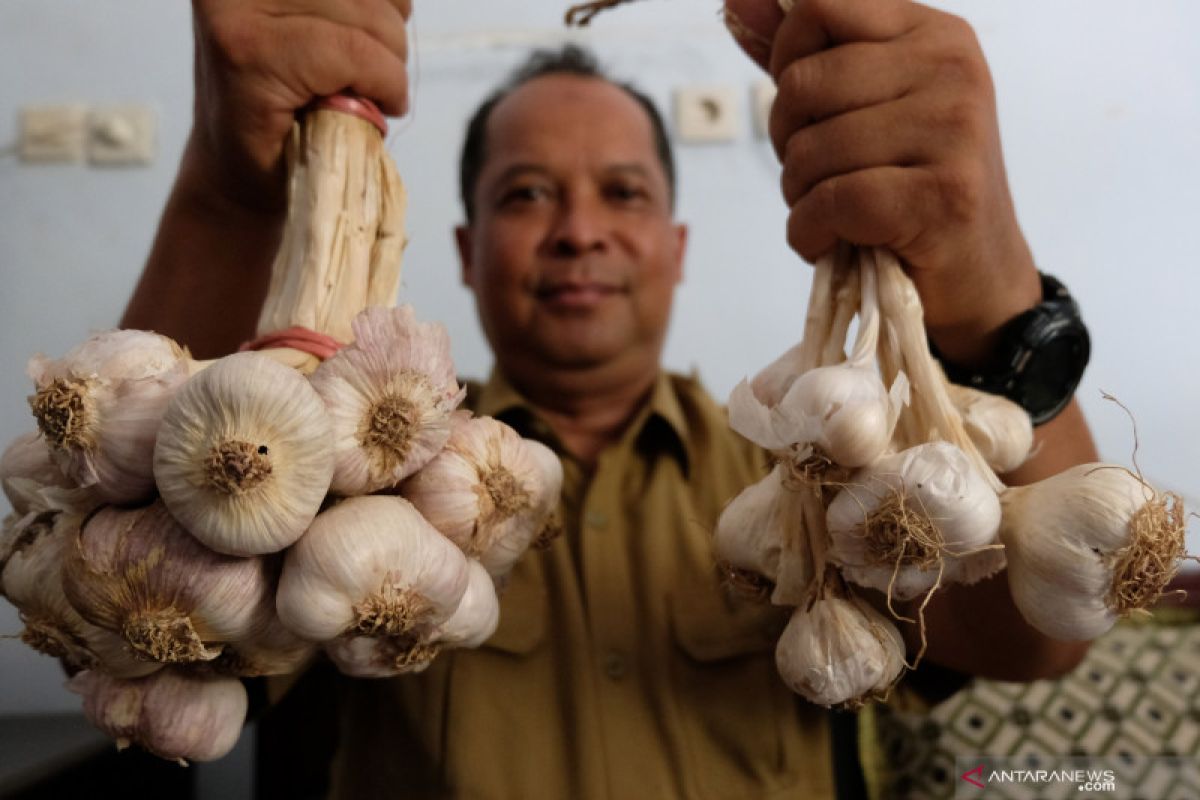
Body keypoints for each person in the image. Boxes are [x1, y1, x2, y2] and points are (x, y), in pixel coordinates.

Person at [122, 0, 1100, 797]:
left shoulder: (802, 468)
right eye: (527, 195)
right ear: (465, 252)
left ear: (676, 252)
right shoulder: (364, 469)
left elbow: (1040, 634)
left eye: (624, 192)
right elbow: (143, 600)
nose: (578, 231)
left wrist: (989, 291)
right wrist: (232, 189)